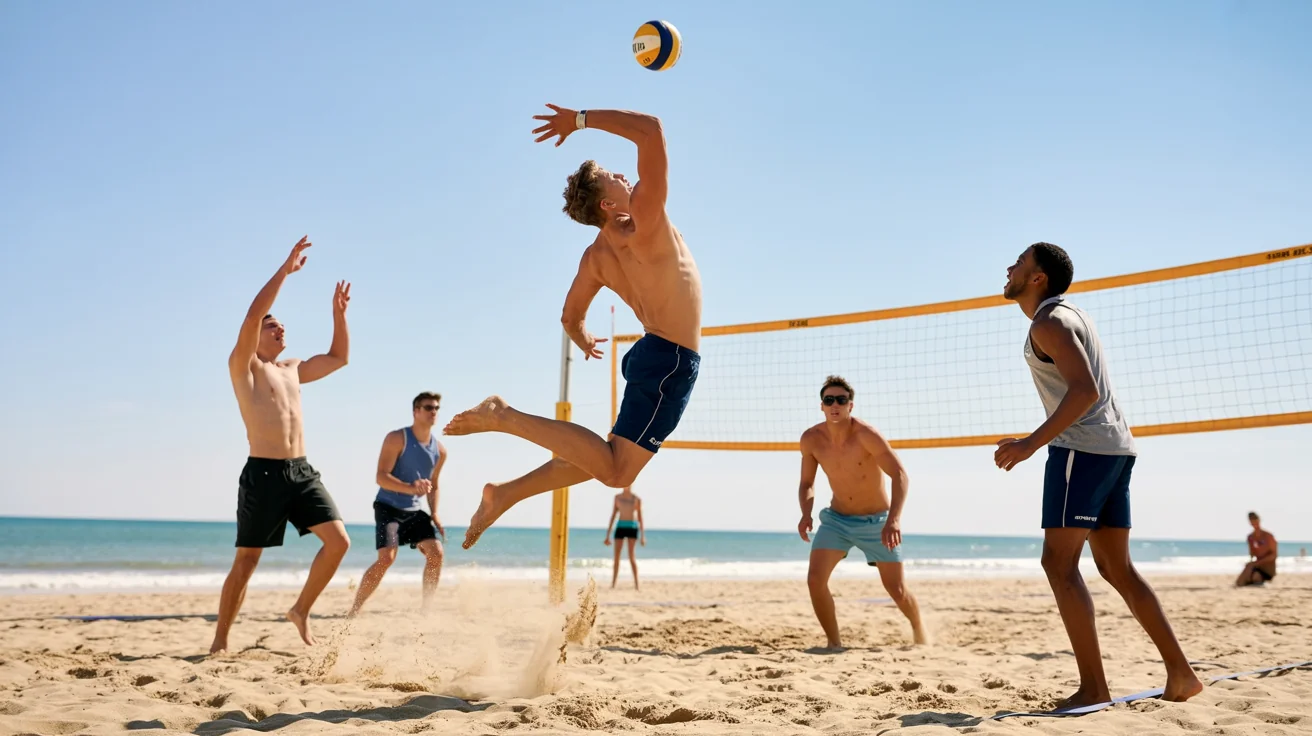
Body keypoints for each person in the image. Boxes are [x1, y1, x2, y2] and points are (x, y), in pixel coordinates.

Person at [445, 105, 702, 550]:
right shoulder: (646, 221)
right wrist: (579, 120)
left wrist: (582, 337)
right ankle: (503, 416)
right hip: (671, 360)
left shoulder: (595, 257)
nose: (622, 175)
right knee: (616, 471)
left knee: (605, 456)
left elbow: (569, 316)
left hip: (654, 354)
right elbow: (651, 130)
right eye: (611, 178)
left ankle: (505, 494)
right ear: (607, 205)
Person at [995, 242, 1202, 705]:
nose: (1009, 267)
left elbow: (1085, 390)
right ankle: (1181, 675)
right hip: (1115, 449)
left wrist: (1030, 443)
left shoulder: (1049, 322)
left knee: (1059, 564)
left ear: (1038, 278)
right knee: (1115, 568)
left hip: (1082, 451)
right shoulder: (1072, 316)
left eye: (1020, 262)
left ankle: (1093, 688)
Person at [211, 236, 352, 654]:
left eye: (282, 325)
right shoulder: (245, 367)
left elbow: (339, 358)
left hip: (301, 471)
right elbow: (253, 313)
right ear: (254, 336)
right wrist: (285, 271)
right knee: (247, 562)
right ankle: (220, 640)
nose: (280, 328)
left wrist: (338, 315)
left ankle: (300, 610)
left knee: (339, 542)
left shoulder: (292, 369)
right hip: (264, 473)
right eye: (272, 326)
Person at [797, 376, 926, 648]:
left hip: (877, 522)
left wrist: (894, 520)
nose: (835, 405)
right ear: (821, 406)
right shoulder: (811, 439)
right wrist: (806, 513)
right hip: (836, 520)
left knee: (897, 590)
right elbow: (807, 483)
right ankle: (834, 644)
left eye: (841, 400)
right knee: (815, 581)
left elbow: (900, 475)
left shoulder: (866, 435)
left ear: (850, 405)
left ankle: (919, 631)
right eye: (829, 400)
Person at [349, 392, 448, 616]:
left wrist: (435, 513)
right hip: (388, 507)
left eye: (436, 408)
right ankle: (354, 610)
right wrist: (412, 488)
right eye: (428, 407)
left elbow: (434, 485)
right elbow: (381, 477)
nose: (433, 412)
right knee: (386, 558)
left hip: (414, 511)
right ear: (416, 411)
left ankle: (426, 610)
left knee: (436, 553)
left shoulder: (440, 451)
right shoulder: (397, 438)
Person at [604, 486, 645, 590]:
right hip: (620, 527)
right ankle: (613, 584)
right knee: (616, 557)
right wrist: (608, 535)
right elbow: (613, 515)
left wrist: (642, 536)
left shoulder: (636, 499)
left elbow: (640, 518)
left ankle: (637, 584)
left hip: (632, 527)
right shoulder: (617, 498)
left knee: (631, 556)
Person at [1236, 511, 1277, 587]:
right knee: (1240, 582)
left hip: (1268, 569)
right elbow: (1252, 554)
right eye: (1252, 520)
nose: (1254, 522)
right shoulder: (1251, 537)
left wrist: (1257, 563)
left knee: (1256, 577)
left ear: (1259, 520)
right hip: (1257, 567)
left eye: (1255, 519)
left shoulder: (1268, 536)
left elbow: (1273, 555)